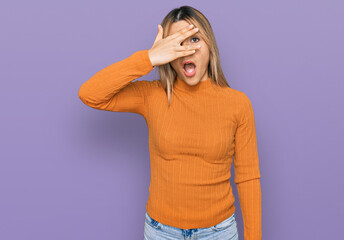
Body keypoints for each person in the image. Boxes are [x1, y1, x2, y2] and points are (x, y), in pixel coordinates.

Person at [78, 5, 262, 240]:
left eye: (194, 39)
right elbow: (90, 94)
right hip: (161, 232)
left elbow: (248, 177)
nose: (187, 50)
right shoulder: (152, 95)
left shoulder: (238, 104)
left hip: (219, 233)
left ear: (210, 46)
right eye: (177, 42)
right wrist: (149, 58)